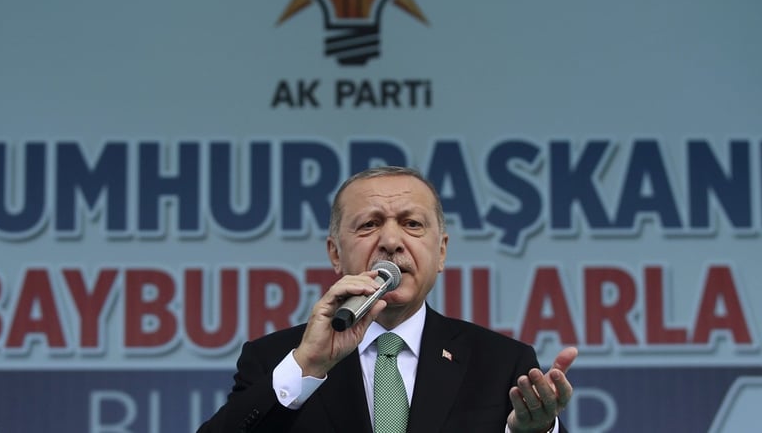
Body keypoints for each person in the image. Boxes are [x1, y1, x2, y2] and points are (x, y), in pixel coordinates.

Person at [197, 166, 578, 433]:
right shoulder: (275, 359)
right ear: (335, 254)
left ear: (441, 252)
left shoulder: (503, 363)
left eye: (412, 224)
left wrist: (536, 432)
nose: (391, 241)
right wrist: (306, 365)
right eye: (369, 224)